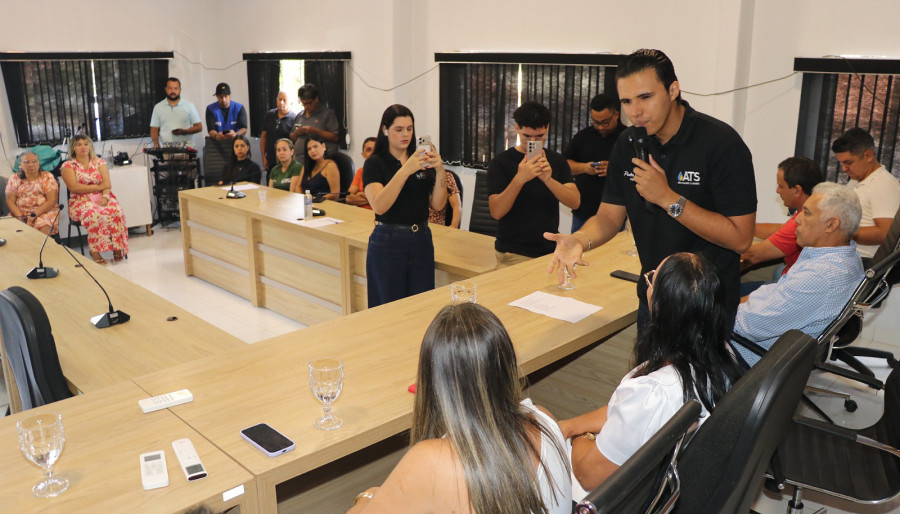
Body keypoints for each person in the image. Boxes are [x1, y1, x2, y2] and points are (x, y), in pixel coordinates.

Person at [545, 49, 757, 330]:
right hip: (653, 298)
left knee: (697, 377)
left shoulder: (720, 144)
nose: (636, 111)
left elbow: (741, 239)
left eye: (645, 97)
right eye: (627, 101)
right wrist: (581, 240)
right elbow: (609, 216)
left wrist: (668, 199)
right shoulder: (627, 142)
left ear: (673, 90)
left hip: (705, 306)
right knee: (647, 376)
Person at [348, 303, 571, 514]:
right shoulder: (545, 420)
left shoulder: (431, 461)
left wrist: (367, 496)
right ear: (506, 367)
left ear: (432, 381)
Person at [559, 252, 742, 496]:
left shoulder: (655, 393)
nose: (648, 284)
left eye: (652, 279)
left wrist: (581, 437)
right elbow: (625, 411)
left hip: (601, 497)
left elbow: (589, 475)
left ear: (658, 304)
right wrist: (569, 426)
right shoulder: (722, 355)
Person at [732, 182, 865, 368]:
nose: (797, 219)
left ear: (831, 224)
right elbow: (777, 291)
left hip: (747, 355)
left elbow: (750, 326)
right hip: (766, 346)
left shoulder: (821, 276)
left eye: (807, 213)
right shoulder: (841, 256)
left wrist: (710, 312)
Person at [363, 104, 449, 308]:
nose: (406, 134)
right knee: (388, 308)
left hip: (421, 238)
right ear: (385, 130)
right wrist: (406, 169)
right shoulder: (375, 163)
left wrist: (440, 169)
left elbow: (438, 204)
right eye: (399, 129)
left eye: (410, 129)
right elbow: (379, 206)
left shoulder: (421, 160)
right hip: (387, 240)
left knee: (421, 306)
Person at [488, 101, 580, 267]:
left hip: (549, 250)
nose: (533, 142)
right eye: (527, 137)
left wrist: (548, 179)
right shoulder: (501, 162)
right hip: (512, 252)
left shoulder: (557, 160)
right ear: (517, 128)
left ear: (547, 128)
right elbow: (496, 212)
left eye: (539, 137)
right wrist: (520, 178)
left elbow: (575, 201)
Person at [740, 156, 822, 295]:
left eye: (781, 186)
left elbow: (752, 255)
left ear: (797, 190)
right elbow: (779, 229)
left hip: (788, 288)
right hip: (789, 280)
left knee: (727, 296)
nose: (777, 190)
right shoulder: (809, 212)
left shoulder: (805, 221)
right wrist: (741, 228)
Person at [831, 127, 900, 259]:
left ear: (868, 156)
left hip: (865, 264)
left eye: (848, 163)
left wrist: (839, 231)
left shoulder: (884, 185)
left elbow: (886, 234)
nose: (844, 169)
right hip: (845, 258)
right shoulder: (855, 181)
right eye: (841, 163)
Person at [60, 135, 128, 264]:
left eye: (86, 144)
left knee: (116, 211)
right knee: (94, 213)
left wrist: (105, 197)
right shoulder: (68, 165)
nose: (83, 147)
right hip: (80, 202)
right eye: (79, 144)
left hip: (103, 197)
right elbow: (74, 187)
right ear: (73, 148)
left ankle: (117, 247)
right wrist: (98, 187)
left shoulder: (99, 162)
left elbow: (107, 184)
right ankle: (94, 250)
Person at [565, 92, 625, 232]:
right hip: (583, 212)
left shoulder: (627, 138)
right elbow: (566, 164)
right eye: (596, 122)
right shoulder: (583, 136)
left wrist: (614, 169)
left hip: (616, 214)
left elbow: (638, 169)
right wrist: (585, 167)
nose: (600, 127)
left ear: (616, 115)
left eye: (605, 122)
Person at [5, 152, 59, 235]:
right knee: (9, 229)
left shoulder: (47, 177)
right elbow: (10, 201)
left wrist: (34, 216)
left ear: (38, 163)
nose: (31, 165)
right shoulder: (14, 178)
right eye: (26, 162)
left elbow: (52, 200)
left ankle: (40, 248)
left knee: (43, 226)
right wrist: (20, 216)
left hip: (44, 212)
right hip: (20, 213)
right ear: (20, 164)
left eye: (34, 161)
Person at [149, 77, 202, 148]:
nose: (173, 91)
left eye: (176, 88)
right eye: (170, 88)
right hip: (166, 149)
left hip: (186, 149)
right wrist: (155, 143)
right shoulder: (158, 107)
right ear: (165, 89)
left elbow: (199, 127)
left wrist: (184, 132)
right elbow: (154, 128)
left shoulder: (189, 106)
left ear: (180, 89)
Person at [290, 83, 339, 155]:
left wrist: (314, 131)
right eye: (304, 104)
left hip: (320, 160)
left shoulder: (327, 114)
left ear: (316, 99)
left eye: (309, 103)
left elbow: (335, 137)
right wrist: (296, 133)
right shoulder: (299, 115)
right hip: (300, 160)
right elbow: (292, 139)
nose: (306, 106)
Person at [259, 91, 297, 172]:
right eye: (280, 99)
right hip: (270, 160)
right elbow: (263, 137)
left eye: (284, 100)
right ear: (276, 100)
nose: (282, 102)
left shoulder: (294, 118)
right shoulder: (270, 114)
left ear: (290, 102)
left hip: (286, 162)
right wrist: (263, 157)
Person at [302, 134, 340, 200]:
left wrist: (314, 199)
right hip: (306, 203)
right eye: (309, 149)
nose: (313, 151)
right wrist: (303, 199)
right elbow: (298, 186)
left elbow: (335, 194)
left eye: (315, 146)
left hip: (323, 204)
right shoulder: (307, 165)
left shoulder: (330, 166)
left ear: (323, 146)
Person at [347, 137, 376, 209]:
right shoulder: (361, 171)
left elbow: (385, 201)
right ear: (363, 154)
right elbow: (348, 198)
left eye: (376, 150)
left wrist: (359, 195)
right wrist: (373, 198)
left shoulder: (388, 171)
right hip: (360, 214)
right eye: (369, 150)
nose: (373, 153)